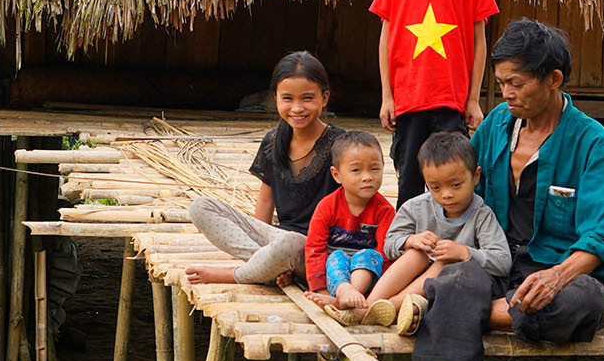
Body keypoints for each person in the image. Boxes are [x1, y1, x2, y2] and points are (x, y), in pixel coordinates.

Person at [373, 19, 604, 361]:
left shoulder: (593, 144)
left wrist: (556, 275)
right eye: (501, 82)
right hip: (497, 265)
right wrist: (420, 239)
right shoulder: (493, 130)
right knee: (455, 280)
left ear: (554, 79)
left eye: (517, 83)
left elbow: (603, 236)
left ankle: (454, 312)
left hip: (565, 272)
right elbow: (453, 190)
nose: (506, 93)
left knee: (577, 305)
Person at [371, 0, 499, 204]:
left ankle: (455, 241)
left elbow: (479, 45)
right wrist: (388, 96)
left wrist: (472, 100)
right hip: (409, 101)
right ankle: (408, 245)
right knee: (410, 180)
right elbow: (385, 42)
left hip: (451, 101)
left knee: (454, 178)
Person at [185, 52, 339, 286]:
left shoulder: (342, 145)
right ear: (275, 98)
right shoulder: (273, 141)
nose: (297, 108)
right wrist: (262, 242)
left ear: (324, 97)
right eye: (287, 98)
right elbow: (266, 202)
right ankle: (267, 266)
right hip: (277, 240)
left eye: (307, 98)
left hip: (317, 250)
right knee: (200, 207)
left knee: (290, 245)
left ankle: (238, 274)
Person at [362, 130, 508, 333]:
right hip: (411, 278)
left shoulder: (482, 215)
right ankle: (370, 305)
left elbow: (503, 261)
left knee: (444, 263)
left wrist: (464, 254)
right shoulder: (416, 207)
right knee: (416, 254)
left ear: (475, 176)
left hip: (446, 288)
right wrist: (410, 241)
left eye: (456, 185)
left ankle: (388, 308)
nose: (447, 194)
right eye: (435, 187)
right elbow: (389, 244)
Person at [302, 129, 396, 318]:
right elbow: (315, 248)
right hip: (335, 273)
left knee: (369, 255)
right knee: (337, 256)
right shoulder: (327, 207)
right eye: (356, 170)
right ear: (336, 175)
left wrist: (379, 288)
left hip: (366, 274)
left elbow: (385, 253)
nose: (367, 177)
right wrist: (320, 289)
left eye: (374, 168)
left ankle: (349, 296)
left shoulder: (385, 211)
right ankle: (344, 292)